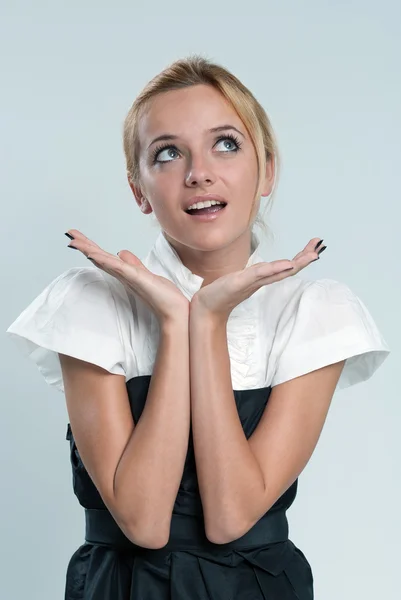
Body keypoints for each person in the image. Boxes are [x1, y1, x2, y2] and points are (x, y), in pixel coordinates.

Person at [6, 55, 390, 600]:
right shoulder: (90, 303)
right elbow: (142, 521)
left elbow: (230, 516)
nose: (199, 172)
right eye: (167, 153)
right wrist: (173, 319)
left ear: (268, 170)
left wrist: (206, 322)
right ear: (139, 189)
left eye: (226, 144)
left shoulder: (315, 312)